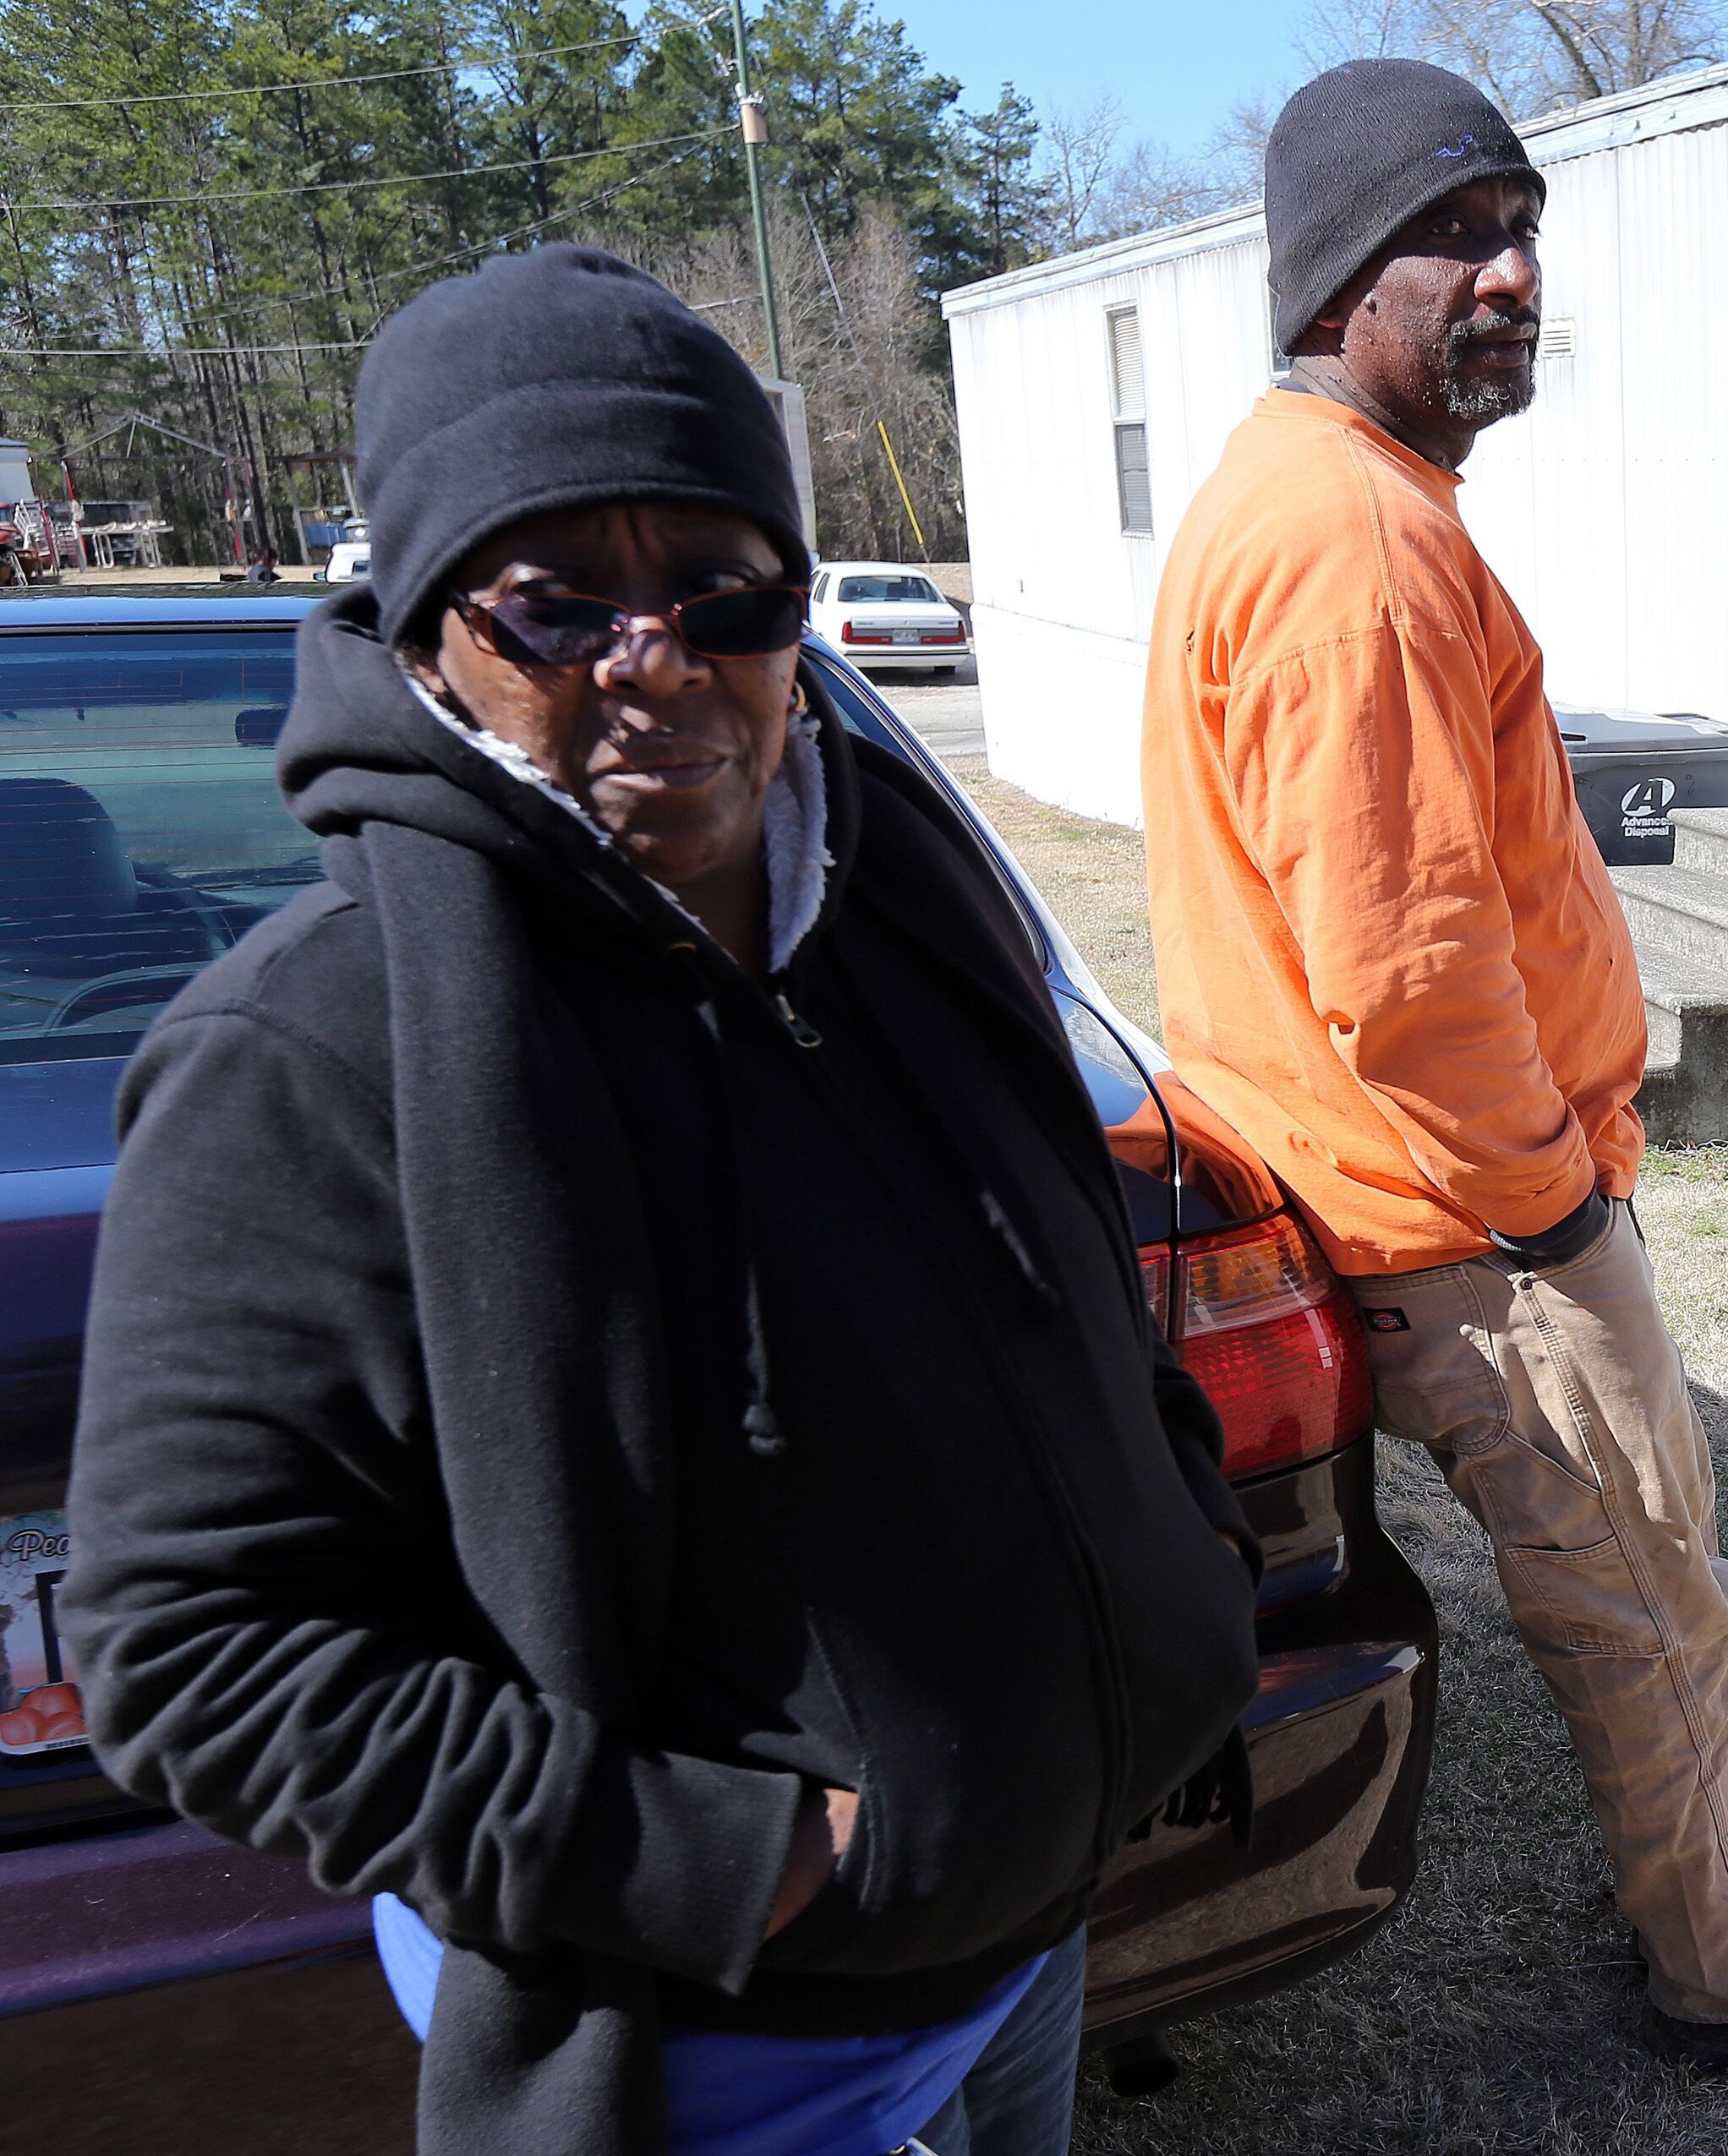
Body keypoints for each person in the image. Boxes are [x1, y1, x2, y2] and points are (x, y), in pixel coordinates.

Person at [63, 246, 1260, 2155]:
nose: (657, 658)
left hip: (1031, 1939)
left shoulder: (901, 902)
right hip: (728, 2048)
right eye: (558, 602)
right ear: (429, 625)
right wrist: (734, 1854)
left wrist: (1177, 1555)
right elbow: (187, 1646)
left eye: (726, 587)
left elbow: (1085, 1294)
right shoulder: (307, 1053)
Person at [1140, 60, 1728, 2067]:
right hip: (1467, 1219)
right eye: (1458, 236)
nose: (1508, 275)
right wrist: (1554, 1201)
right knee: (1648, 1595)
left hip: (1425, 1189)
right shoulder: (1352, 543)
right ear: (1337, 277)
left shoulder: (1330, 498)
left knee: (1665, 1570)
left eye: (1522, 234)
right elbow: (1405, 973)